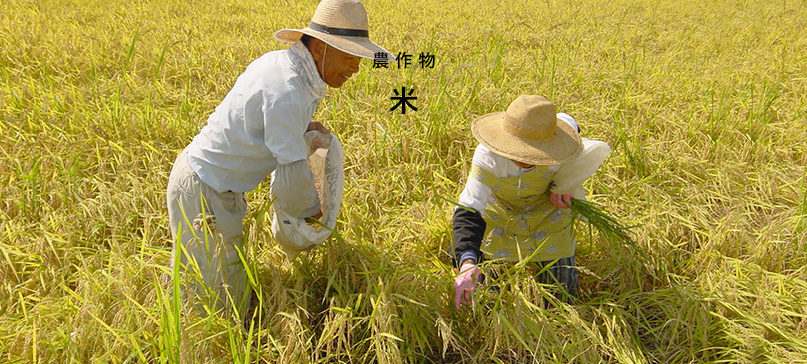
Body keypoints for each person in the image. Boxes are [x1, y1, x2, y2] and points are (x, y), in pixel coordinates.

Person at [166, 0, 393, 319]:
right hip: (205, 192)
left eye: (359, 59)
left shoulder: (282, 67)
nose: (356, 68)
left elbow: (268, 125)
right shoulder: (288, 89)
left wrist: (304, 128)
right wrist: (312, 210)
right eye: (350, 56)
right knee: (218, 302)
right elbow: (291, 176)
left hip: (206, 183)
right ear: (318, 49)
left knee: (204, 274)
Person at [451, 95, 611, 310]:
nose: (526, 158)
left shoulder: (562, 144)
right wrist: (467, 262)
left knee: (562, 291)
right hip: (501, 213)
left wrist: (565, 186)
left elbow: (571, 124)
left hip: (547, 212)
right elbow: (470, 208)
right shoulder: (489, 156)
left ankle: (561, 321)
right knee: (488, 290)